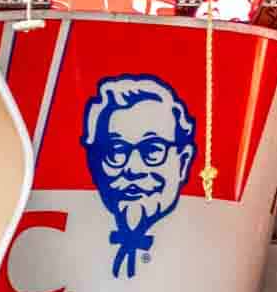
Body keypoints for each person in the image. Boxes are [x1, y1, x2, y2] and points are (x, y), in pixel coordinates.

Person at [81, 74, 196, 278]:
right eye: (116, 150)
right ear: (95, 164)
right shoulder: (77, 237)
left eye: (152, 150)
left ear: (183, 161)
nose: (133, 169)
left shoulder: (207, 245)